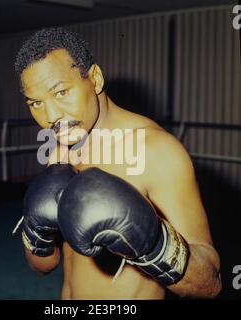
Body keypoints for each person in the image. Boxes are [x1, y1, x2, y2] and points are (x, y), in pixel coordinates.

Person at [14, 27, 221, 299]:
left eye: (61, 92)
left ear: (96, 79)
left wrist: (155, 245)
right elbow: (43, 266)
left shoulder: (156, 151)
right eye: (36, 103)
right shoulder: (60, 148)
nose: (51, 116)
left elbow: (211, 285)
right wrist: (36, 232)